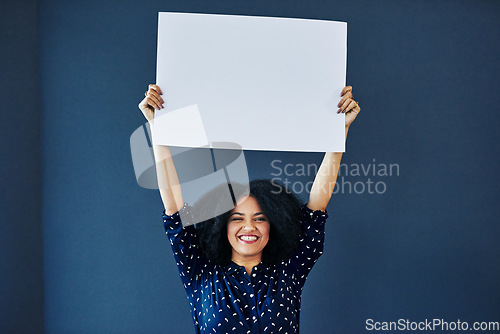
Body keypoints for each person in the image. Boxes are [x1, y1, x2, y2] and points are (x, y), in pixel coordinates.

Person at [138, 84, 360, 333]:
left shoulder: (288, 272)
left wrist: (338, 132)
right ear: (222, 225)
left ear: (273, 225)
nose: (249, 227)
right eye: (237, 218)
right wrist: (159, 128)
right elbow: (174, 208)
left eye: (260, 218)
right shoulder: (201, 273)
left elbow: (317, 206)